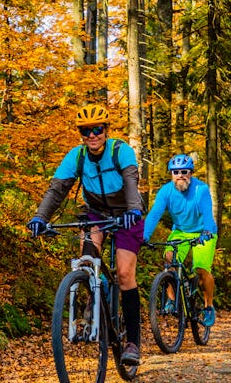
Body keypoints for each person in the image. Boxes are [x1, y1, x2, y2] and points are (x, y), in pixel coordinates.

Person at [27, 104, 147, 366]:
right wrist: (40, 217)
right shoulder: (77, 156)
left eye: (97, 129)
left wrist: (134, 211)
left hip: (127, 213)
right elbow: (57, 189)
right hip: (96, 212)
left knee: (125, 274)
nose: (92, 135)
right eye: (86, 131)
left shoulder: (120, 151)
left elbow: (131, 183)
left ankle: (133, 343)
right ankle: (91, 309)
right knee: (87, 262)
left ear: (106, 130)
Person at [141, 154, 219, 327]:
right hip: (181, 232)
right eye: (176, 172)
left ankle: (208, 306)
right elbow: (154, 215)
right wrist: (144, 236)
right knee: (169, 260)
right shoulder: (166, 191)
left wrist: (206, 231)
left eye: (184, 171)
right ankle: (171, 300)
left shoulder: (201, 189)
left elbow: (207, 213)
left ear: (191, 173)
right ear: (171, 174)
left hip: (204, 232)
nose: (180, 175)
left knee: (200, 269)